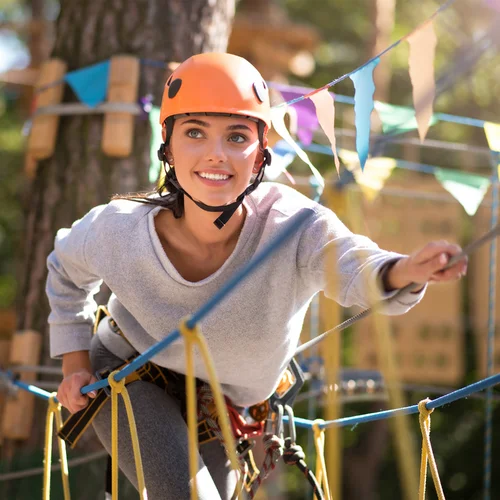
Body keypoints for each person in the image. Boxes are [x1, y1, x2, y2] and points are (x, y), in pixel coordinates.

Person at [47, 53, 467, 500]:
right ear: (167, 147)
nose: (216, 153)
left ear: (260, 153)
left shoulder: (293, 227)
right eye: (194, 133)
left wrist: (402, 270)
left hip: (226, 408)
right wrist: (75, 365)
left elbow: (353, 264)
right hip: (128, 374)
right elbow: (64, 270)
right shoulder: (119, 230)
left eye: (237, 136)